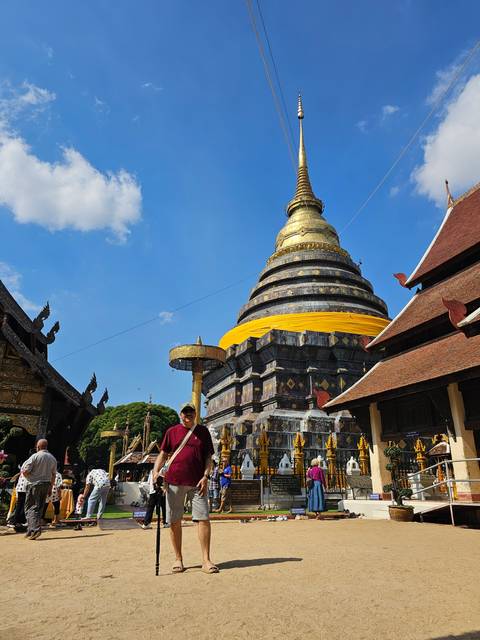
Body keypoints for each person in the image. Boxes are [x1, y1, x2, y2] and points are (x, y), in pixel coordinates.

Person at [153, 401, 218, 575]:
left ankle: (206, 559)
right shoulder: (171, 432)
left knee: (203, 518)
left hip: (198, 482)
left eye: (191, 412)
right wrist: (155, 473)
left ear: (195, 414)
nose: (187, 415)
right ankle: (178, 559)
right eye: (185, 412)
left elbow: (208, 458)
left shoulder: (203, 432)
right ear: (180, 414)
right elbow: (163, 454)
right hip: (174, 482)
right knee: (174, 520)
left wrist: (206, 476)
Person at [22, 439, 57, 540]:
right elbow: (54, 475)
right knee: (39, 508)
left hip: (34, 484)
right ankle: (30, 530)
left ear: (38, 447)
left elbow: (25, 470)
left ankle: (35, 529)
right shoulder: (52, 458)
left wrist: (27, 476)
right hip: (46, 484)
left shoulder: (35, 456)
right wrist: (51, 487)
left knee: (30, 507)